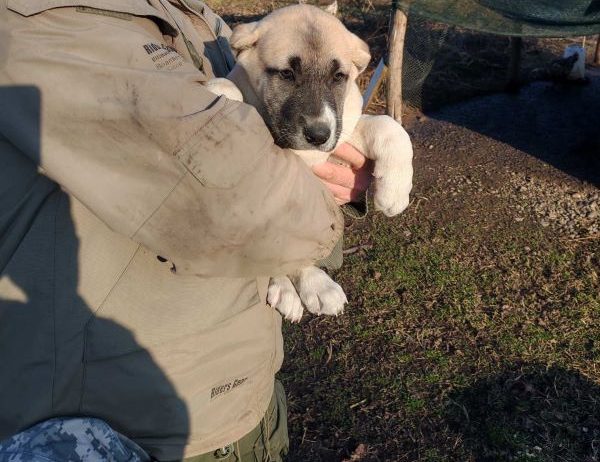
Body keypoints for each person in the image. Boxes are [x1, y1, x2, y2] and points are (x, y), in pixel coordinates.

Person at [0, 1, 374, 460]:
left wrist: (336, 184)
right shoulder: (45, 23)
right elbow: (232, 198)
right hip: (126, 426)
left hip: (239, 395)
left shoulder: (188, 13)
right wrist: (326, 197)